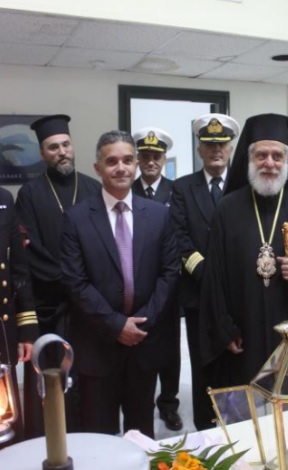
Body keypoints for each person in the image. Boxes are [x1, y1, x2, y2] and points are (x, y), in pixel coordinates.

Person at [60, 130, 180, 437]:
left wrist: (140, 323)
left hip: (144, 343)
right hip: (97, 345)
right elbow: (75, 282)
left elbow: (169, 273)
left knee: (141, 435)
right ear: (98, 168)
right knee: (99, 435)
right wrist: (116, 325)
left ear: (136, 164)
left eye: (127, 160)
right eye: (111, 161)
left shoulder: (158, 216)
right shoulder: (76, 218)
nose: (121, 168)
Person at [199, 113, 288, 389]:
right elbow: (214, 276)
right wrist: (224, 328)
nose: (269, 163)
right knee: (248, 398)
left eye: (277, 156)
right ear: (249, 159)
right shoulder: (228, 208)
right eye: (261, 155)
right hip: (244, 329)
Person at [14, 114, 101, 437]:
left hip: (88, 304)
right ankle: (49, 438)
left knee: (90, 377)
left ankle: (91, 434)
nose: (61, 152)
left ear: (73, 146)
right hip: (50, 303)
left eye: (66, 145)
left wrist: (86, 286)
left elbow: (103, 244)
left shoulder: (93, 188)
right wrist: (72, 282)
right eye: (53, 147)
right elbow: (30, 251)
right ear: (42, 153)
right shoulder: (30, 193)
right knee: (51, 376)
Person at [170, 112, 240, 430]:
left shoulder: (243, 186)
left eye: (222, 144)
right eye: (210, 144)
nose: (216, 150)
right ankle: (205, 431)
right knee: (204, 367)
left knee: (237, 365)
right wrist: (209, 276)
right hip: (198, 295)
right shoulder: (183, 188)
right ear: (199, 149)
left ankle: (236, 430)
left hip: (238, 297)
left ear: (230, 148)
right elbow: (180, 239)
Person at [132, 127, 182, 431]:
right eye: (146, 155)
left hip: (169, 281)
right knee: (140, 344)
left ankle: (169, 403)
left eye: (157, 156)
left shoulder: (177, 191)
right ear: (138, 159)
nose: (151, 161)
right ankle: (140, 402)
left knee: (170, 348)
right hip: (137, 282)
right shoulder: (128, 190)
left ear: (164, 159)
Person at [0, 187, 38, 448]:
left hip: (2, 331)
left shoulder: (3, 199)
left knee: (7, 421)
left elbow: (18, 267)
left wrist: (26, 330)